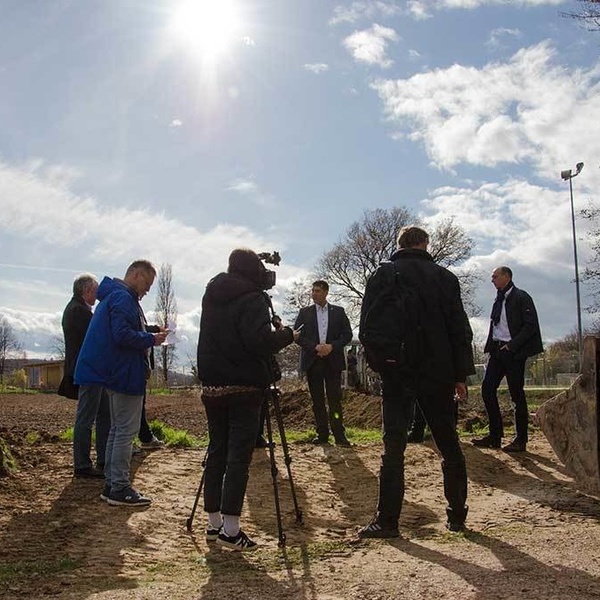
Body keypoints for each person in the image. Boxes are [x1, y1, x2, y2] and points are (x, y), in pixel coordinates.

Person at [358, 226, 470, 537]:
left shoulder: (382, 275)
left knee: (393, 448)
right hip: (438, 370)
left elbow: (366, 325)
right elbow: (459, 329)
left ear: (400, 244)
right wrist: (460, 375)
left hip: (397, 369)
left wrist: (379, 362)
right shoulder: (445, 278)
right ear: (425, 244)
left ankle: (387, 521)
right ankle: (457, 515)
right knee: (448, 443)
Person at [197, 248, 298, 551]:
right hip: (245, 387)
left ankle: (214, 524)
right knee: (238, 458)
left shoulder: (212, 294)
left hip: (212, 386)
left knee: (217, 452)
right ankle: (231, 530)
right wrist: (287, 335)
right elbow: (258, 343)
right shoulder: (253, 298)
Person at [75, 260, 167, 506]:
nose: (147, 290)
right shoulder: (123, 298)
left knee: (117, 430)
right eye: (147, 283)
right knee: (125, 431)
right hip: (125, 374)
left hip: (116, 373)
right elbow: (122, 335)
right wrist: (152, 339)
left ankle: (112, 483)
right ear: (135, 274)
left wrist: (149, 334)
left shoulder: (113, 297)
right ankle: (119, 487)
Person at [472, 266, 543, 453]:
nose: (492, 280)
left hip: (513, 352)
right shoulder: (499, 298)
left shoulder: (521, 297)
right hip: (497, 351)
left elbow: (530, 326)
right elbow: (496, 325)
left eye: (495, 276)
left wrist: (512, 345)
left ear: (507, 276)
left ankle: (521, 439)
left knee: (516, 394)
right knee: (487, 390)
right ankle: (495, 436)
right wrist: (491, 347)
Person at [61, 273, 111, 479]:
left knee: (104, 414)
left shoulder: (76, 309)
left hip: (93, 370)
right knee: (86, 418)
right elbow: (101, 334)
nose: (97, 295)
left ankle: (103, 459)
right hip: (89, 370)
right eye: (96, 291)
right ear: (87, 291)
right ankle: (82, 464)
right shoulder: (79, 312)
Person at [294, 280, 353, 446]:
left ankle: (339, 435)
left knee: (335, 399)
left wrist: (331, 346)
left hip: (332, 360)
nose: (314, 294)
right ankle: (322, 434)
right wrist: (315, 347)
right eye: (313, 291)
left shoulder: (339, 312)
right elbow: (297, 336)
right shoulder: (305, 312)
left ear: (326, 292)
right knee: (317, 400)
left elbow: (347, 334)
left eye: (318, 291)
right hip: (313, 361)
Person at [407, 314, 475, 443]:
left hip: (447, 362)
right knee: (422, 394)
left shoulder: (452, 311)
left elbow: (464, 335)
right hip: (428, 359)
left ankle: (450, 432)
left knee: (448, 398)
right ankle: (418, 431)